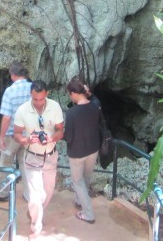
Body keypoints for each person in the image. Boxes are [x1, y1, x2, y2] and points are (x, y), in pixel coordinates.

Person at [13, 80, 64, 238]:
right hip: (32, 158)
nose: (38, 102)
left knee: (47, 194)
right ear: (30, 94)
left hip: (50, 157)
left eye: (41, 99)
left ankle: (34, 213)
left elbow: (60, 130)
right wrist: (27, 140)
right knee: (35, 197)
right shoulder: (22, 110)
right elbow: (16, 134)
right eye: (35, 99)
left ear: (47, 94)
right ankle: (36, 229)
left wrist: (51, 138)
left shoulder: (55, 107)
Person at [64, 78, 101, 224]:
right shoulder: (95, 105)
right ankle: (79, 200)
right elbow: (95, 99)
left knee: (77, 182)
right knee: (86, 177)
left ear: (73, 93)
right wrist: (89, 93)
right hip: (93, 149)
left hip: (77, 152)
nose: (70, 97)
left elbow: (68, 137)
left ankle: (88, 214)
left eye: (69, 94)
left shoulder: (71, 113)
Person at [0, 61, 33, 201]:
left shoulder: (10, 91)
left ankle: (2, 193)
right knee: (25, 164)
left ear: (12, 75)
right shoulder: (33, 88)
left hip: (12, 134)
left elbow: (6, 118)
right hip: (28, 133)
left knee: (5, 162)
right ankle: (29, 194)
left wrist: (1, 137)